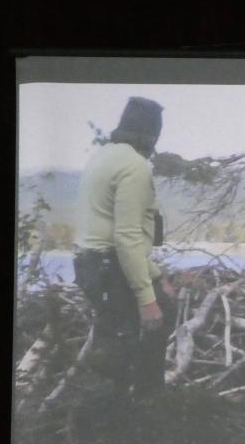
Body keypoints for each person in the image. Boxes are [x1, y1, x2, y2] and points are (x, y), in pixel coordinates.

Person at [72, 96, 176, 397]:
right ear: (151, 136)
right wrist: (147, 300)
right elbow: (127, 237)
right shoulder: (135, 167)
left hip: (92, 264)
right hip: (109, 266)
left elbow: (123, 236)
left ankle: (141, 399)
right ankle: (135, 408)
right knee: (126, 344)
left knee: (134, 326)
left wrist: (157, 278)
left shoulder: (103, 157)